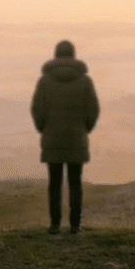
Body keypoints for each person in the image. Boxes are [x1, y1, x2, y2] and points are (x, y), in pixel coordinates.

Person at [30, 40, 99, 234]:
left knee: (54, 183)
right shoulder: (85, 81)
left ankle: (54, 225)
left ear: (55, 56)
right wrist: (84, 129)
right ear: (73, 56)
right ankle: (75, 226)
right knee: (76, 183)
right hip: (77, 138)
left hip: (53, 139)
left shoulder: (45, 81)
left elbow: (37, 109)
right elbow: (93, 110)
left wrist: (44, 129)